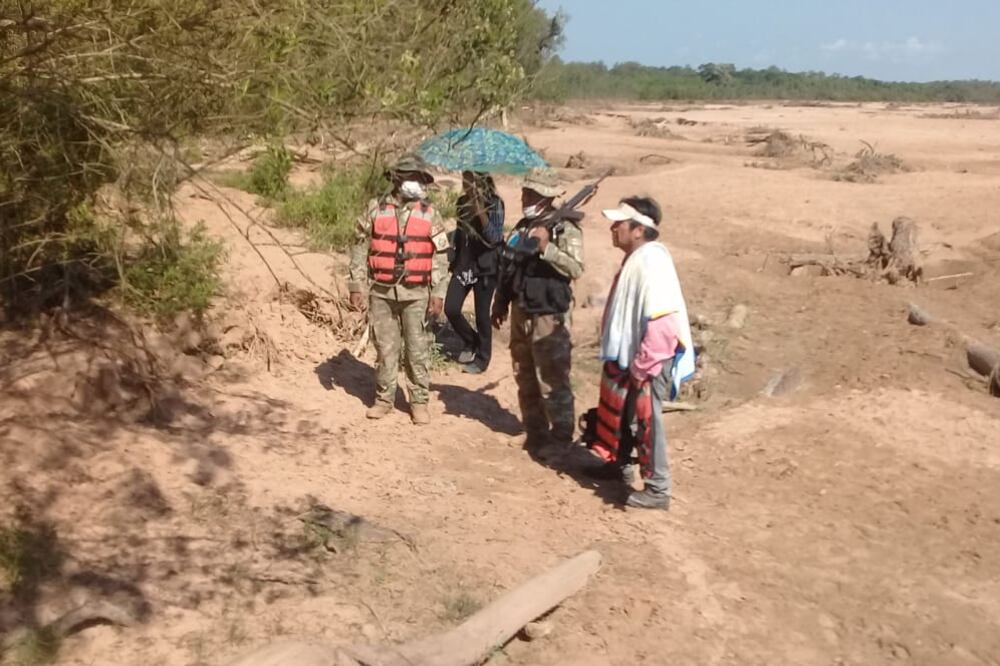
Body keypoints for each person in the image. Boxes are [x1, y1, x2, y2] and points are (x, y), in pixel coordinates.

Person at [588, 196, 696, 510]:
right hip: (637, 357)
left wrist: (642, 365)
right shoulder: (638, 259)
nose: (612, 228)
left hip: (650, 360)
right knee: (622, 415)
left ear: (638, 230)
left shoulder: (652, 262)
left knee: (646, 423)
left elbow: (663, 321)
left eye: (619, 223)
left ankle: (658, 489)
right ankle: (617, 466)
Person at [347, 154, 450, 425]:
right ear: (396, 179)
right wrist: (356, 285)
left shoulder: (430, 213)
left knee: (418, 349)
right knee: (385, 348)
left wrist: (438, 293)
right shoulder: (375, 209)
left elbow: (440, 256)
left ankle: (419, 402)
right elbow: (359, 247)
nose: (414, 183)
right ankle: (384, 399)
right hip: (381, 291)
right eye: (409, 177)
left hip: (417, 293)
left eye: (418, 178)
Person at [491, 167, 584, 458]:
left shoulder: (565, 229)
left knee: (553, 376)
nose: (525, 197)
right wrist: (501, 301)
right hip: (522, 309)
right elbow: (509, 267)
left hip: (549, 312)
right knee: (524, 372)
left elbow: (576, 267)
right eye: (524, 192)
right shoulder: (521, 227)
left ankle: (561, 437)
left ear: (545, 196)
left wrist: (547, 248)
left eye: (531, 193)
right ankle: (535, 432)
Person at [444, 171, 505, 374]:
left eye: (471, 180)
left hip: (486, 266)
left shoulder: (495, 204)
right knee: (451, 308)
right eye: (465, 180)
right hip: (464, 264)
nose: (466, 184)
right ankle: (471, 340)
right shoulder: (462, 202)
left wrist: (480, 211)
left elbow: (494, 238)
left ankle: (482, 358)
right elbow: (461, 233)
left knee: (481, 315)